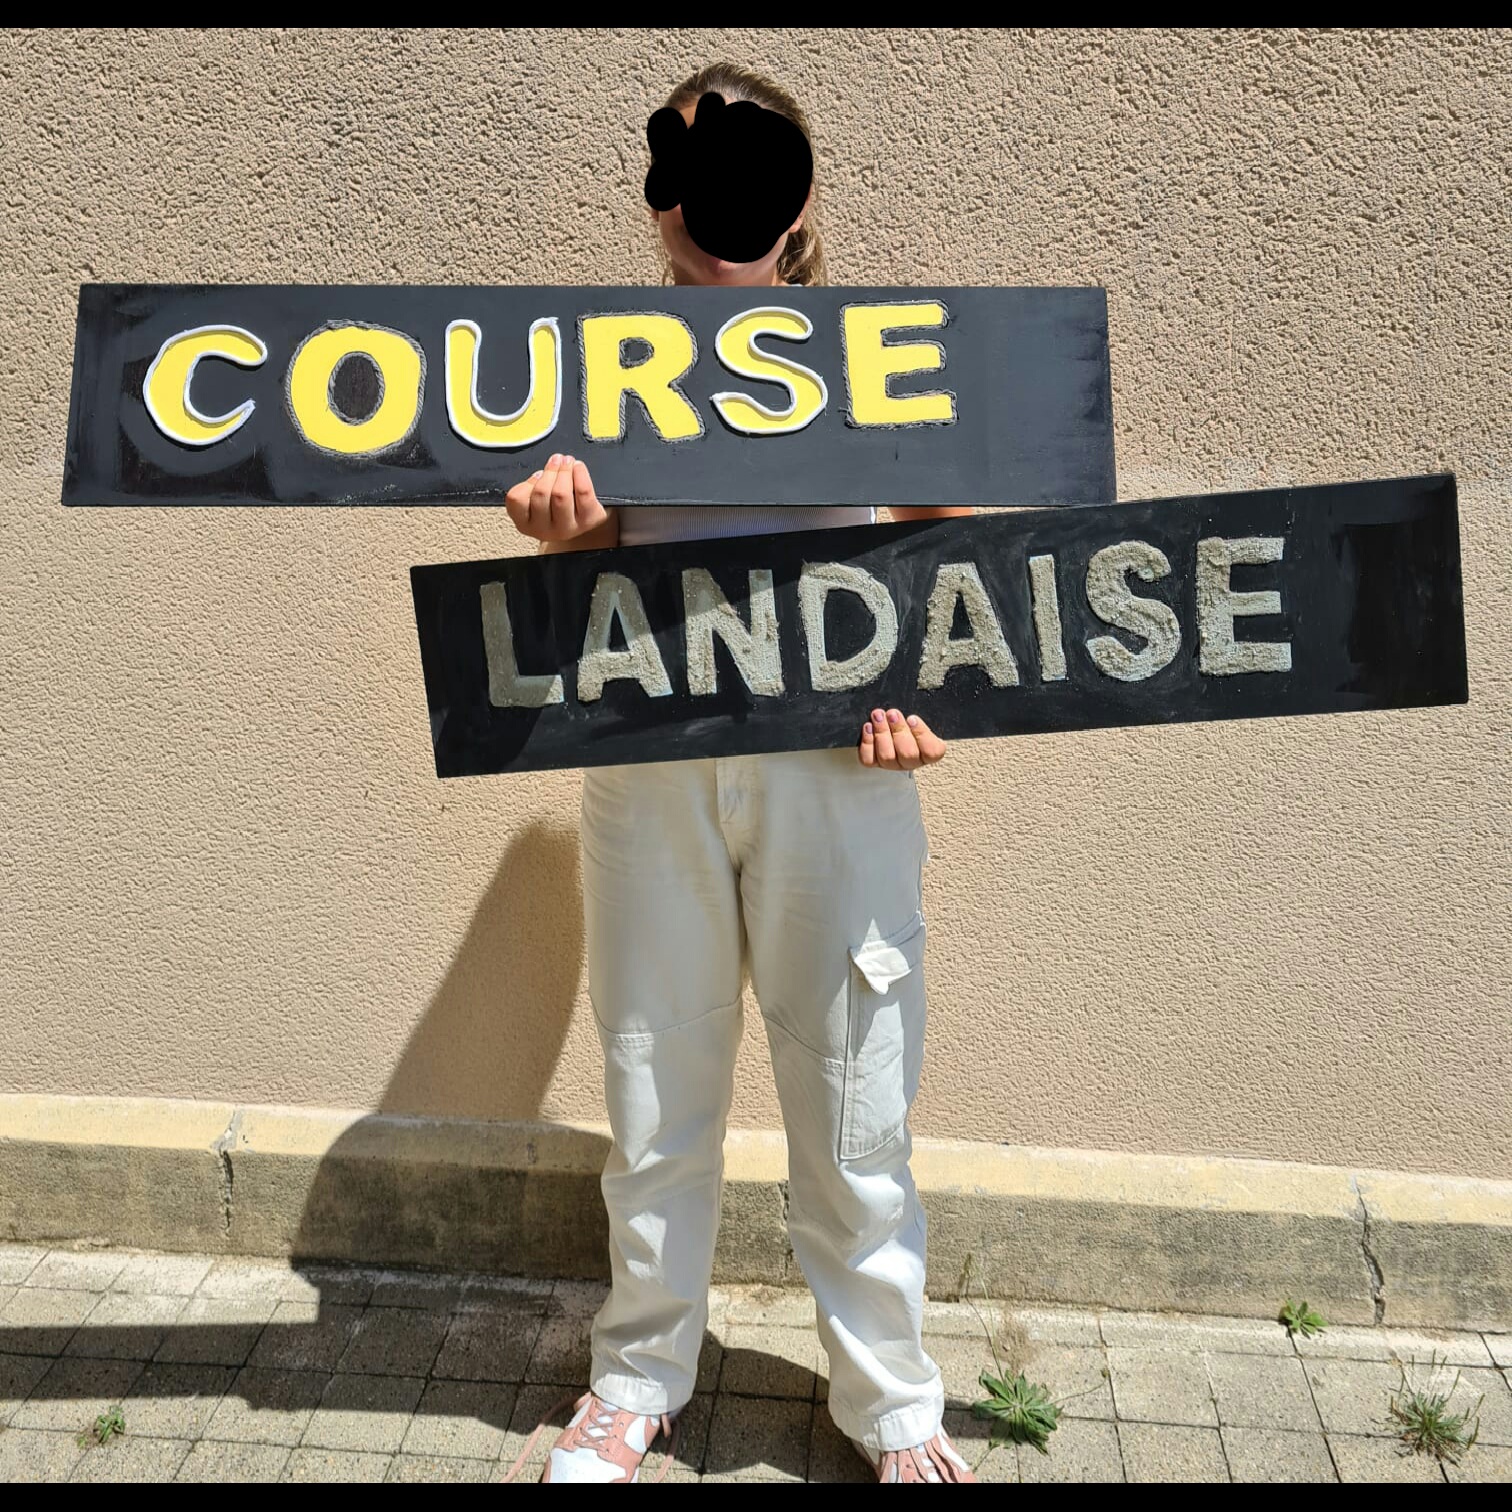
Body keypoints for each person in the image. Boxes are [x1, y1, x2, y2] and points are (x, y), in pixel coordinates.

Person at [505, 62, 975, 1485]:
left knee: (855, 1096)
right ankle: (638, 1376)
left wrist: (934, 696)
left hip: (838, 772)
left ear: (799, 198)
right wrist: (562, 527)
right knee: (653, 1081)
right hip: (649, 767)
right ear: (657, 203)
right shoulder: (595, 369)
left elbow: (951, 547)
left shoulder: (879, 361)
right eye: (688, 179)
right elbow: (596, 561)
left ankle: (892, 1403)